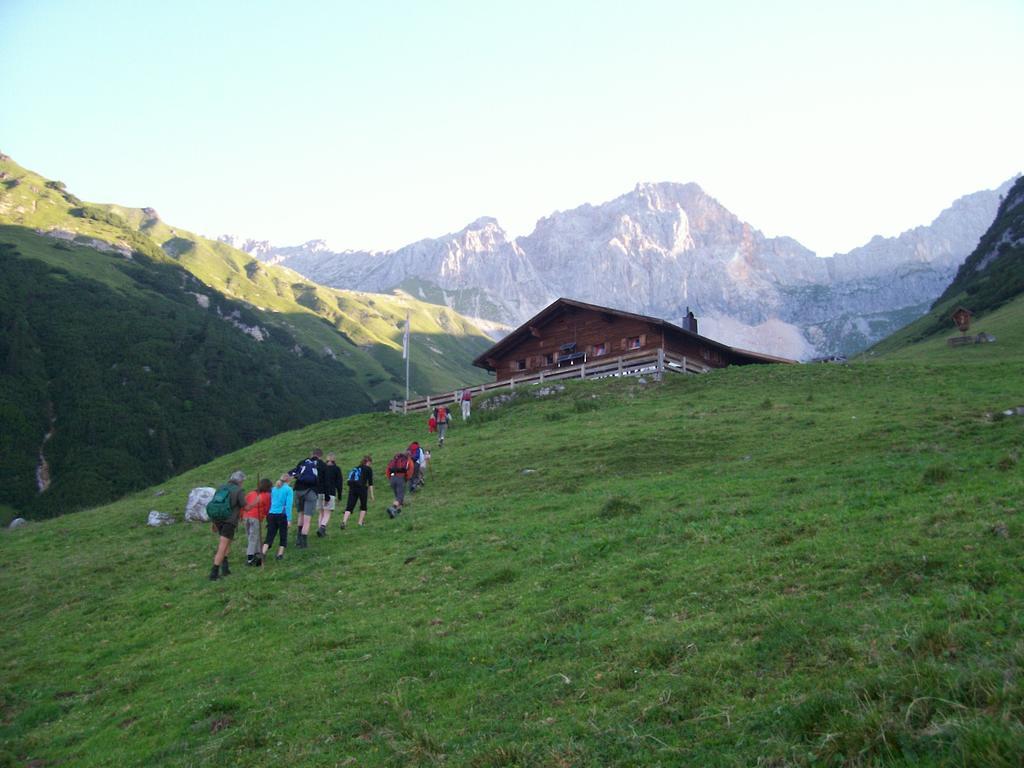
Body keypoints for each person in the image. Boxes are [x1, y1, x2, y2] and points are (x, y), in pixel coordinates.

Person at [208, 470, 246, 581]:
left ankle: (225, 569)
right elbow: (245, 506)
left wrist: (213, 522)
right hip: (229, 521)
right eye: (242, 481)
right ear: (240, 481)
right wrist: (256, 501)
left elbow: (215, 504)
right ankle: (214, 573)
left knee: (227, 543)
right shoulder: (239, 490)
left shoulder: (221, 488)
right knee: (223, 545)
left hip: (218, 519)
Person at [289, 448, 326, 549]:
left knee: (300, 515)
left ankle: (298, 539)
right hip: (311, 492)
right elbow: (323, 480)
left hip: (298, 491)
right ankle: (304, 544)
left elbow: (295, 473)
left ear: (311, 454)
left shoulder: (303, 462)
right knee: (307, 519)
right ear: (320, 455)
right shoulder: (322, 465)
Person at [241, 478, 272, 566]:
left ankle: (258, 553)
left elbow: (244, 505)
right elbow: (267, 508)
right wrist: (267, 518)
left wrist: (241, 515)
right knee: (254, 537)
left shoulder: (250, 493)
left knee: (251, 536)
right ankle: (250, 558)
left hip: (246, 516)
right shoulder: (266, 495)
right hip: (255, 517)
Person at [263, 473, 293, 561]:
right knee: (283, 534)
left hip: (271, 514)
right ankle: (279, 554)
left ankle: (263, 552)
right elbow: (288, 505)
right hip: (282, 514)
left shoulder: (273, 489)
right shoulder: (288, 490)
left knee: (270, 534)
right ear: (288, 481)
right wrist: (289, 519)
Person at [341, 455, 375, 528]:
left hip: (352, 488)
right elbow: (370, 483)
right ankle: (360, 523)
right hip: (362, 488)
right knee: (363, 506)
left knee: (349, 506)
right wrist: (371, 495)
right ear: (368, 462)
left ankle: (344, 522)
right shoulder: (368, 469)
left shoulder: (356, 468)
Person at [317, 453, 343, 537]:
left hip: (319, 492)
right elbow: (339, 484)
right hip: (330, 492)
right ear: (334, 460)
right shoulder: (336, 469)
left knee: (321, 512)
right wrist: (339, 496)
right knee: (327, 512)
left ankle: (320, 529)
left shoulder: (322, 468)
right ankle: (322, 528)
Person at [385, 451, 413, 517]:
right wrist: (406, 479)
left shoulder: (394, 460)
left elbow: (387, 470)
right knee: (400, 497)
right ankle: (393, 508)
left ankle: (397, 512)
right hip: (401, 478)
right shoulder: (408, 460)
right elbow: (410, 472)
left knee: (397, 496)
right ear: (409, 455)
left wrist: (390, 478)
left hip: (392, 478)